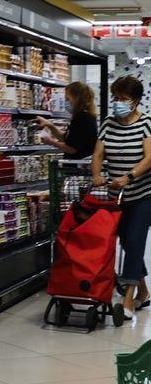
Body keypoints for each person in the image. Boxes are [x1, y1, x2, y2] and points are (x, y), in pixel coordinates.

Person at [92, 75, 151, 319]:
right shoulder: (108, 123)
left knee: (135, 242)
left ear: (136, 102)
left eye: (123, 99)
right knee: (126, 241)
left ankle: (127, 299)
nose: (118, 103)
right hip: (115, 196)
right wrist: (96, 174)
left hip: (142, 194)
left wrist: (130, 176)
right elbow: (98, 154)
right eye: (115, 98)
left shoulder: (146, 122)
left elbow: (149, 157)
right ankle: (144, 291)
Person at [37, 81, 97, 160]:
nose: (65, 102)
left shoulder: (83, 118)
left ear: (77, 99)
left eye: (67, 99)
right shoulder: (81, 117)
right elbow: (66, 139)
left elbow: (73, 149)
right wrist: (50, 125)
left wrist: (51, 142)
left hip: (79, 167)